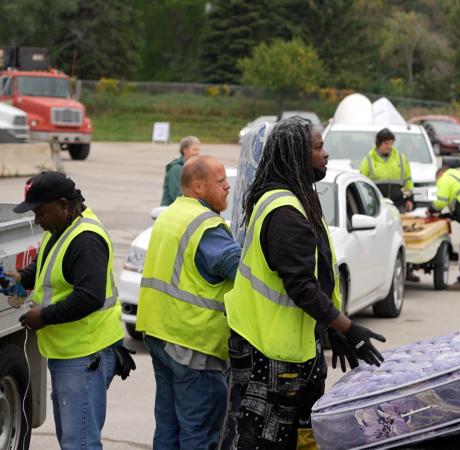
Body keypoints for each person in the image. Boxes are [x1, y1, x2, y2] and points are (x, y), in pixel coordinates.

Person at [225, 117, 386, 449]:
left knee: (301, 435)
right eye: (318, 147)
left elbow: (321, 274)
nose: (325, 154)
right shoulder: (284, 211)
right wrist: (345, 327)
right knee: (268, 440)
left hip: (291, 347)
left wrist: (328, 330)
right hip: (268, 352)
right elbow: (300, 285)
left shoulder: (299, 198)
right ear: (297, 155)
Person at [10, 171, 126, 449]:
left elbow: (90, 297)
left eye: (40, 212)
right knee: (73, 440)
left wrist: (44, 316)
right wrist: (20, 279)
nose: (37, 220)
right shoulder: (61, 227)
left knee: (80, 443)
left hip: (86, 355)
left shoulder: (85, 240)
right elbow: (44, 266)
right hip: (70, 353)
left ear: (63, 204)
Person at [136, 155, 240, 450]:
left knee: (168, 429)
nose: (228, 187)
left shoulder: (170, 214)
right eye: (220, 182)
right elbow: (241, 269)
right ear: (198, 186)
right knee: (199, 432)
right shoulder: (207, 226)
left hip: (160, 337)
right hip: (193, 345)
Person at [359, 128, 414, 212]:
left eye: (391, 143)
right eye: (386, 143)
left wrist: (409, 199)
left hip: (398, 204)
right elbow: (362, 184)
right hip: (376, 205)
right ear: (378, 144)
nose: (389, 146)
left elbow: (408, 181)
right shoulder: (368, 160)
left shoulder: (401, 158)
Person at [161, 136, 201, 206]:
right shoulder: (176, 168)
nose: (197, 153)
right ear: (185, 150)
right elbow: (176, 195)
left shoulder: (192, 167)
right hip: (171, 211)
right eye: (195, 150)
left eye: (198, 150)